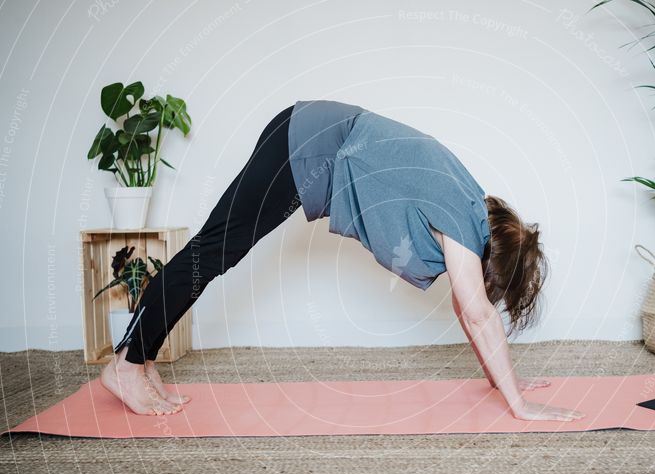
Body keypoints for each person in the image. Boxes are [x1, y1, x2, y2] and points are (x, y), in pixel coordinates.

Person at [100, 100, 584, 422]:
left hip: (309, 135)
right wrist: (519, 404)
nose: (488, 292)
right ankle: (127, 363)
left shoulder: (471, 205)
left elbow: (467, 307)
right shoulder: (462, 220)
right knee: (214, 250)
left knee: (216, 249)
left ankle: (138, 358)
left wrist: (505, 381)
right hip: (308, 147)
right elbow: (476, 311)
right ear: (494, 262)